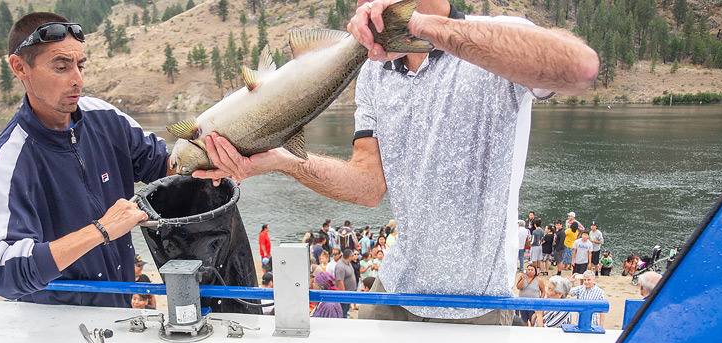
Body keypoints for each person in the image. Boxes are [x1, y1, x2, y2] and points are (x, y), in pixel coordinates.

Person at [190, 0, 597, 324]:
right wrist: (282, 160)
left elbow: (580, 68)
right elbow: (368, 188)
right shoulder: (375, 71)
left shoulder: (497, 40)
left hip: (477, 301)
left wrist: (419, 25)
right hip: (395, 286)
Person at [0, 13, 174, 308]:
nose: (77, 80)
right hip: (58, 329)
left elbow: (165, 166)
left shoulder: (106, 118)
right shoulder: (13, 157)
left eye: (80, 66)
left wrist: (216, 155)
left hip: (118, 313)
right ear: (20, 67)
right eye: (61, 67)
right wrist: (101, 230)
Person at [334, 249, 358, 317]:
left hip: (349, 292)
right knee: (343, 311)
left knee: (346, 310)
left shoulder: (348, 263)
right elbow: (340, 281)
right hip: (344, 293)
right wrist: (343, 295)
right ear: (350, 256)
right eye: (353, 255)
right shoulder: (340, 266)